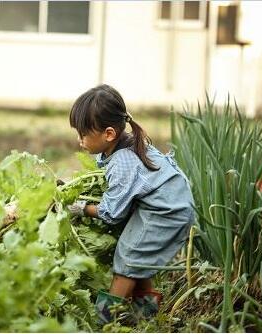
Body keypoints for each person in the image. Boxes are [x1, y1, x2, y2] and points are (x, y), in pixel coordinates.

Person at [67, 84, 195, 324]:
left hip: (167, 212)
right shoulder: (125, 141)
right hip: (169, 203)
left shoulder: (123, 161)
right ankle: (145, 317)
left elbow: (111, 213)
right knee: (139, 259)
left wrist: (80, 208)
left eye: (83, 134)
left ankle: (103, 322)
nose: (79, 140)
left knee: (128, 258)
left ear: (108, 134)